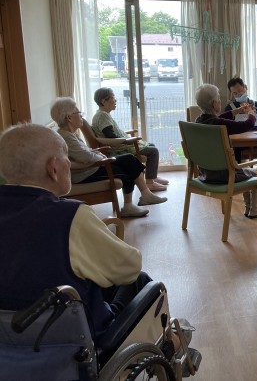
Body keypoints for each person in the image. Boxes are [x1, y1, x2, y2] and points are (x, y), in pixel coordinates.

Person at [0, 123, 151, 336]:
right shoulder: (70, 215)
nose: (69, 164)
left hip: (8, 341)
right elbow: (129, 268)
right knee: (140, 281)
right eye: (66, 157)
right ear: (53, 168)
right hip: (76, 341)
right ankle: (173, 342)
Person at [51, 97, 167, 218]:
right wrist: (100, 156)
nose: (81, 116)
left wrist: (96, 153)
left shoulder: (69, 134)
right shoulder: (67, 137)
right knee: (127, 164)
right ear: (69, 118)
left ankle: (138, 200)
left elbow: (85, 153)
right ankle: (138, 200)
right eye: (78, 113)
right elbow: (86, 157)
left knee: (128, 161)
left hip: (89, 169)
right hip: (85, 174)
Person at [195, 84, 257, 218]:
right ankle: (255, 209)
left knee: (245, 171)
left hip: (205, 174)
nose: (220, 101)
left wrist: (237, 111)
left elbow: (220, 117)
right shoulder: (219, 124)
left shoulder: (199, 121)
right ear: (214, 104)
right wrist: (251, 114)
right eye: (219, 99)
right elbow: (246, 125)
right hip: (224, 176)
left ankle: (249, 208)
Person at [92, 87, 169, 192]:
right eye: (113, 97)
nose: (115, 100)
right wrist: (128, 141)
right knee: (153, 151)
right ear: (103, 101)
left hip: (120, 145)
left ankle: (152, 177)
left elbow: (111, 134)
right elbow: (110, 136)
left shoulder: (103, 114)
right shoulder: (102, 116)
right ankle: (150, 182)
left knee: (151, 145)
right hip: (118, 149)